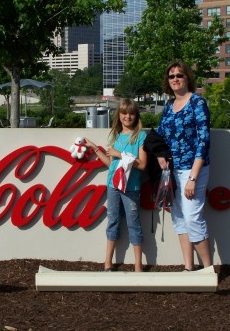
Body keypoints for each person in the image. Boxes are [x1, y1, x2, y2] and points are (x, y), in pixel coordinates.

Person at [156, 61, 212, 271]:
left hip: (192, 169)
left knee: (192, 218)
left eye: (180, 75)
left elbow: (204, 141)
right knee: (179, 219)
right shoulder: (168, 106)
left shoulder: (197, 103)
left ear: (188, 78)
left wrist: (193, 178)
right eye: (171, 76)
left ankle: (207, 269)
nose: (176, 79)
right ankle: (188, 267)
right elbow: (161, 135)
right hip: (172, 171)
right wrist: (160, 156)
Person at [85, 98, 147, 272]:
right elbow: (110, 163)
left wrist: (120, 154)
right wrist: (95, 148)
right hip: (113, 185)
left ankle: (138, 265)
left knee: (133, 224)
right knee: (112, 221)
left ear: (136, 115)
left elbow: (142, 165)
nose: (128, 117)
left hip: (131, 187)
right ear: (118, 115)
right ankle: (108, 262)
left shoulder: (141, 136)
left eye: (131, 113)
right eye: (124, 113)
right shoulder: (115, 135)